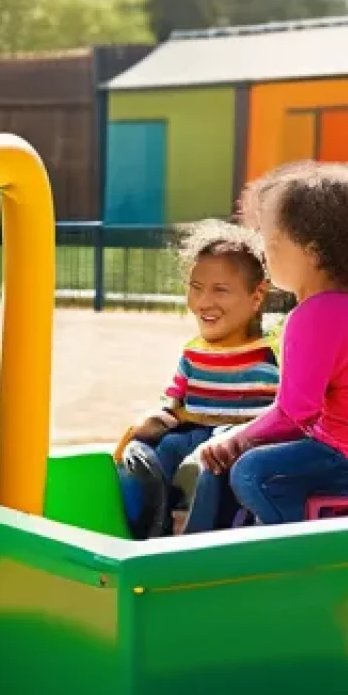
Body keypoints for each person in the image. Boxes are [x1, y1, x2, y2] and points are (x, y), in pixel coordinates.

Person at [183, 160, 348, 533]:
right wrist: (236, 438)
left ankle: (291, 552)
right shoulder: (336, 307)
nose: (265, 256)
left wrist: (241, 438)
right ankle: (200, 541)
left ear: (314, 252)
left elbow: (294, 413)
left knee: (253, 471)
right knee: (225, 443)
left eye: (273, 244)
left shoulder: (318, 314)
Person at [117, 220, 280, 539]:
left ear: (257, 296)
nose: (204, 302)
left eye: (220, 290)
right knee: (154, 451)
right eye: (195, 287)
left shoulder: (272, 352)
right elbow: (174, 404)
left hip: (240, 442)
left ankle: (194, 541)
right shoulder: (193, 354)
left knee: (206, 465)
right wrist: (150, 424)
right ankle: (153, 526)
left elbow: (290, 407)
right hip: (192, 432)